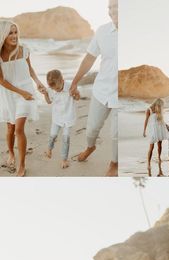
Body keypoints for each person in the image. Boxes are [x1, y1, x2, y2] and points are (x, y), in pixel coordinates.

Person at [70, 0, 118, 177]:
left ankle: (114, 163)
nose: (113, 10)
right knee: (91, 129)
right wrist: (75, 82)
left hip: (124, 94)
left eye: (117, 6)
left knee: (116, 134)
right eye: (110, 7)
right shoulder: (102, 31)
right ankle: (90, 147)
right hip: (102, 90)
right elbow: (89, 58)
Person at [0, 20, 45, 176]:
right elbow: (1, 81)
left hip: (25, 92)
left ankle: (21, 165)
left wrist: (38, 82)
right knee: (10, 127)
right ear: (3, 35)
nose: (14, 36)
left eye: (15, 32)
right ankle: (11, 152)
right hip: (9, 93)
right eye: (10, 33)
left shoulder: (24, 49)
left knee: (19, 129)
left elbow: (30, 68)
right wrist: (20, 92)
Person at [43, 70, 80, 169]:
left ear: (62, 81)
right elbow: (49, 102)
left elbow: (77, 98)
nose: (57, 90)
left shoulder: (70, 87)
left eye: (58, 88)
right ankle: (49, 149)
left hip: (68, 117)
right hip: (57, 117)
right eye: (54, 89)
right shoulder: (51, 89)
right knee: (53, 135)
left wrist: (76, 94)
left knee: (66, 137)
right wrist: (45, 94)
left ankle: (64, 159)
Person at [143, 98, 168, 177]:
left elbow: (162, 120)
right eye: (160, 105)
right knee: (151, 147)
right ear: (157, 103)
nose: (161, 107)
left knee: (160, 145)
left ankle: (159, 158)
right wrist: (144, 131)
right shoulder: (149, 109)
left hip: (160, 128)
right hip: (153, 130)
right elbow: (146, 120)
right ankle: (148, 163)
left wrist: (166, 126)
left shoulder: (159, 110)